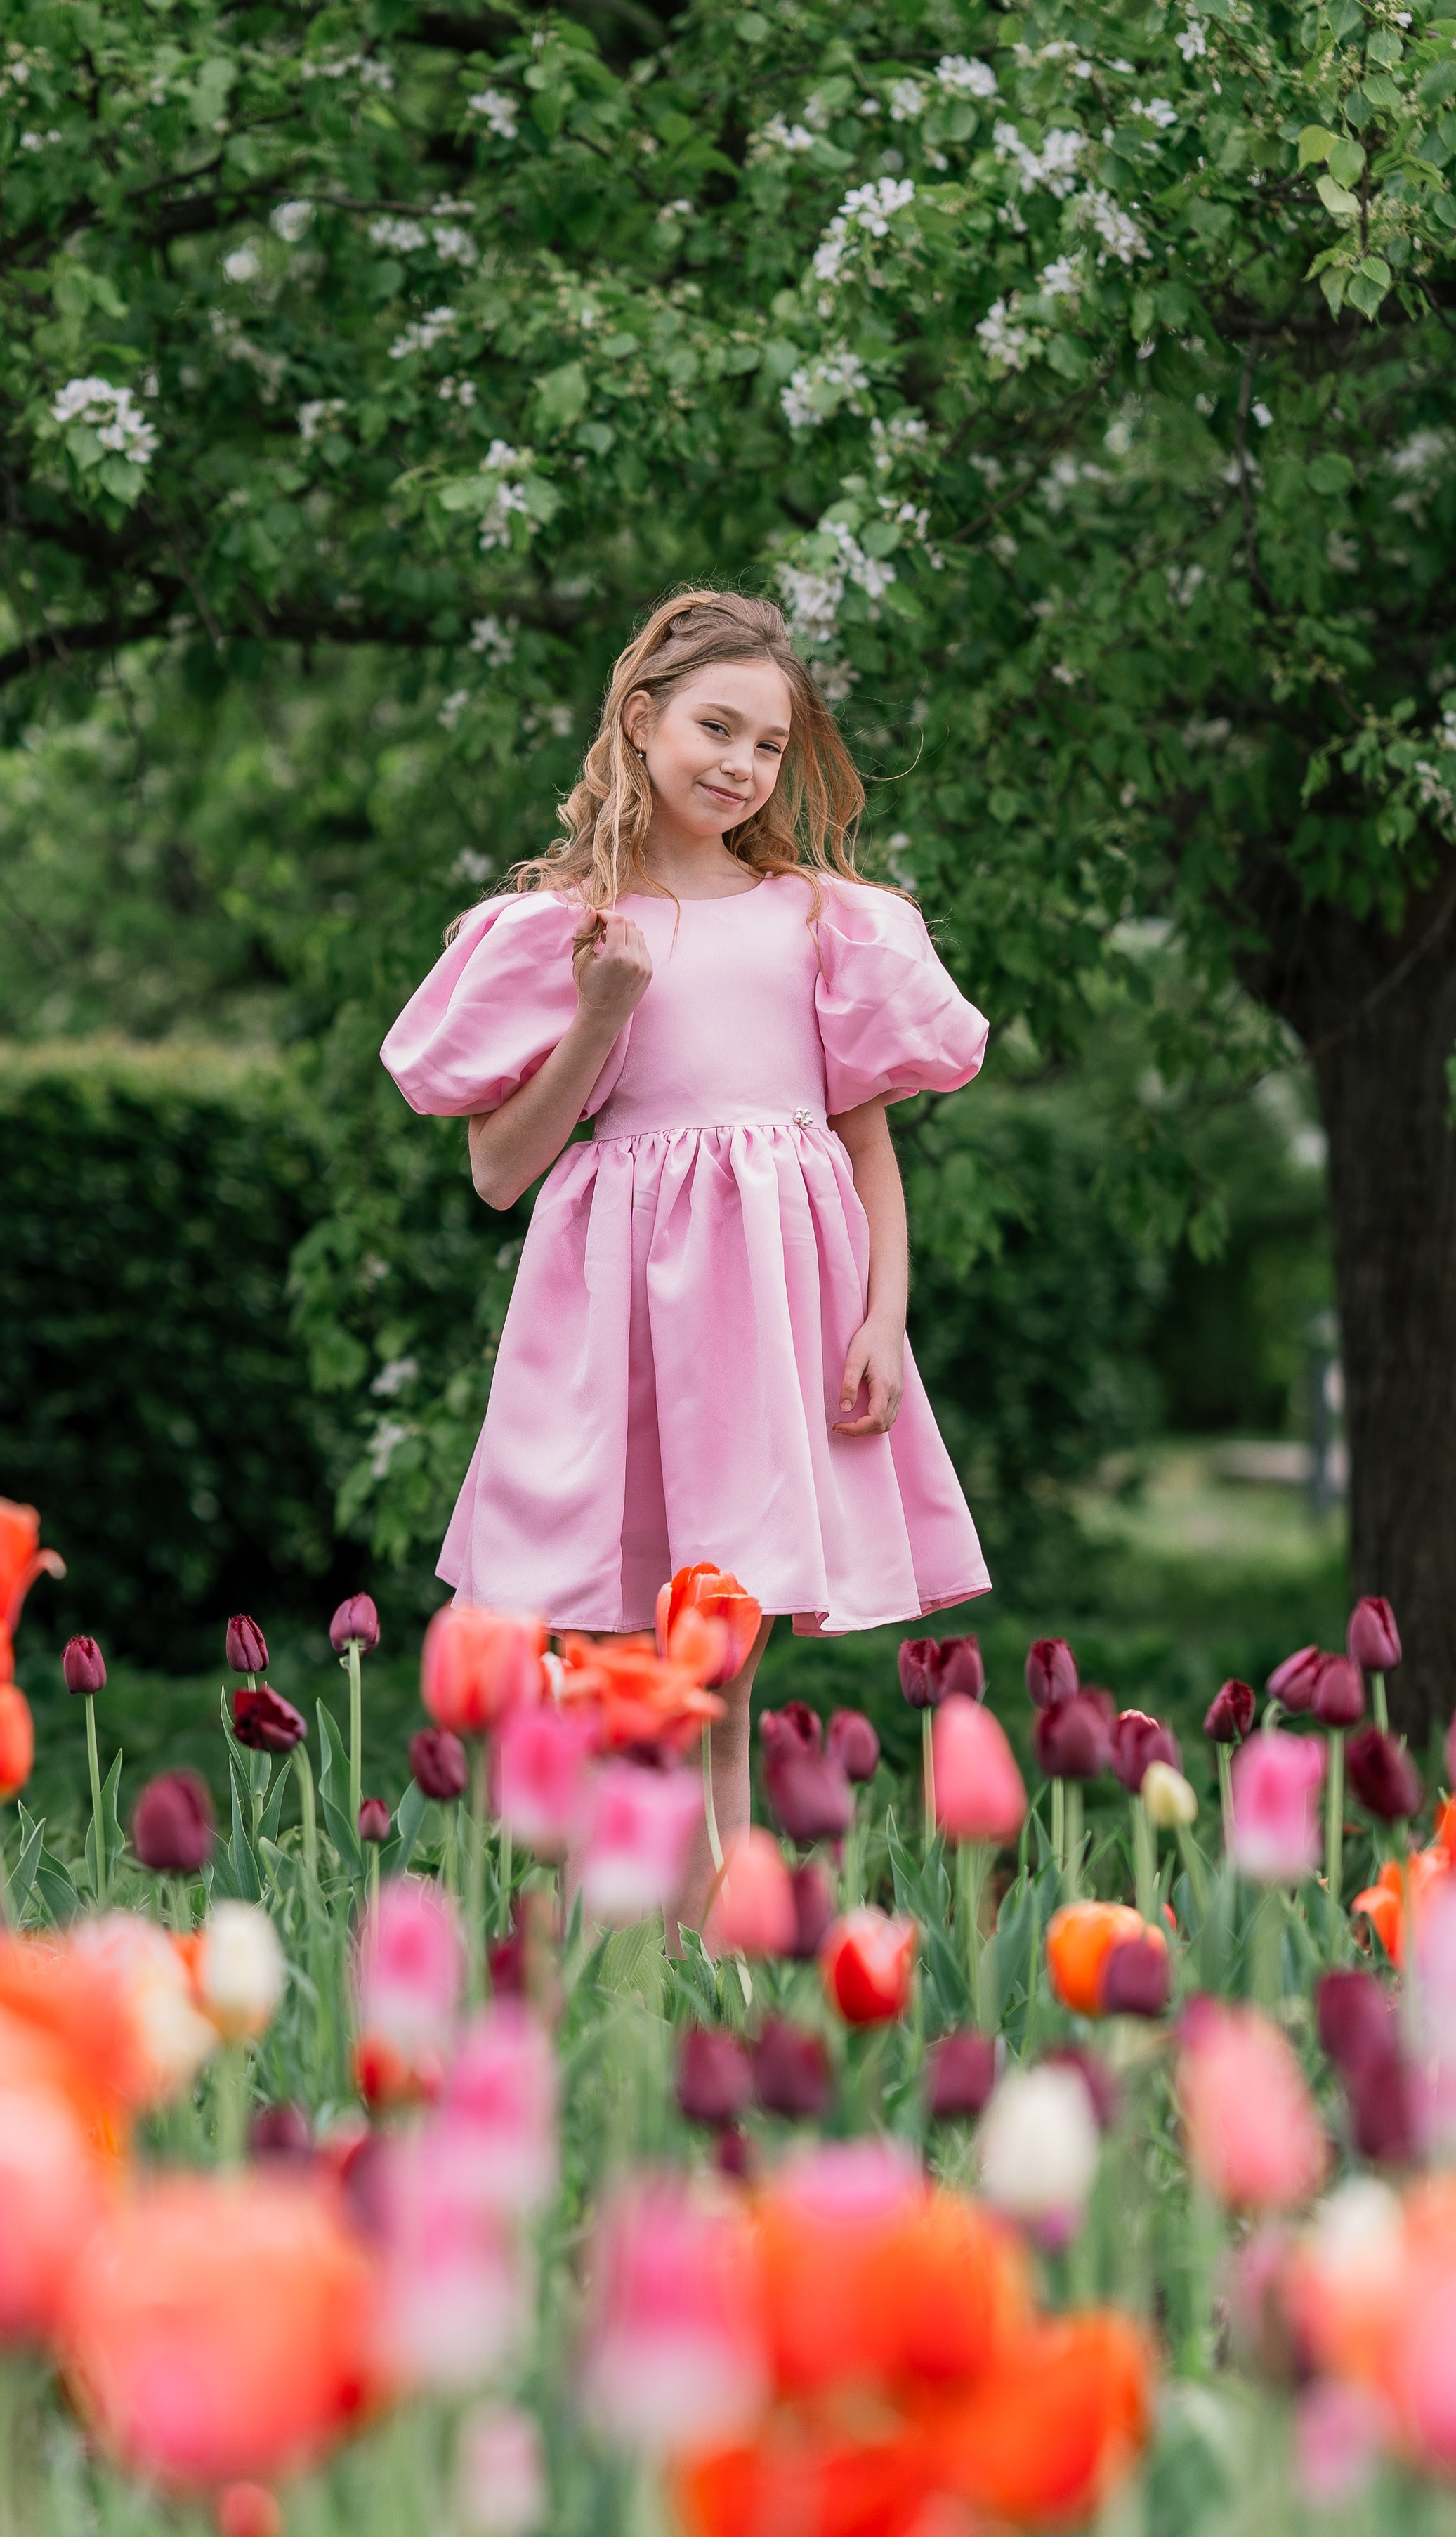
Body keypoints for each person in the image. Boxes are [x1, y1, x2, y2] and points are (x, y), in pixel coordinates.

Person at [381, 589, 990, 1912]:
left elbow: (868, 1144)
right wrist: (600, 1014)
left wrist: (883, 1317)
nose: (741, 764)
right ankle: (621, 1962)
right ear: (642, 720)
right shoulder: (566, 927)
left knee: (718, 1673)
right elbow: (497, 1172)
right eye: (717, 727)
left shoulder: (822, 921)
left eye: (770, 745)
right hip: (618, 1327)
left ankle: (715, 1958)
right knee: (614, 1666)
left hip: (770, 1328)